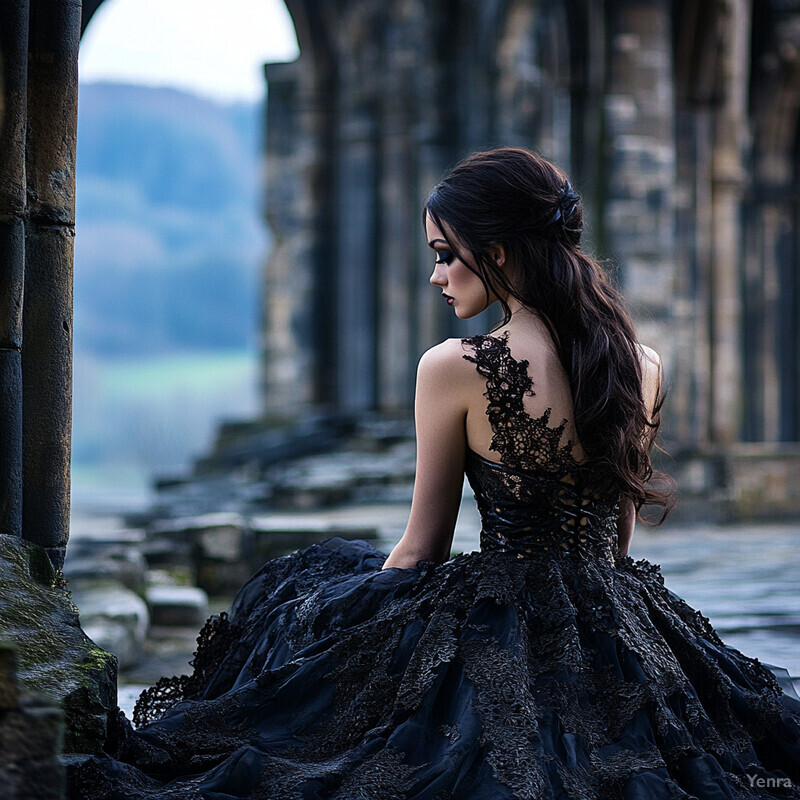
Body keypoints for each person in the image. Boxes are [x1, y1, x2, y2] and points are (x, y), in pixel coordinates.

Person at [70, 148, 800, 800]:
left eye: (447, 254)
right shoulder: (643, 367)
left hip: (503, 613)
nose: (436, 274)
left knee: (302, 588)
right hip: (617, 618)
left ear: (500, 253)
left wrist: (338, 639)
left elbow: (422, 549)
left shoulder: (454, 367)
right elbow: (617, 544)